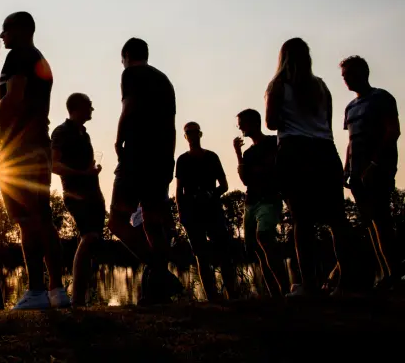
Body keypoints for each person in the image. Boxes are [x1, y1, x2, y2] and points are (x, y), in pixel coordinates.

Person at [0, 12, 71, 310]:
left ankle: (41, 290)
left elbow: (12, 100)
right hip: (37, 144)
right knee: (36, 217)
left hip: (20, 148)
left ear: (20, 29)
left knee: (30, 220)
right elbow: (3, 97)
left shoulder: (19, 55)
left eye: (5, 29)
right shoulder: (34, 58)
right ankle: (53, 291)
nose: (2, 36)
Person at [265, 37, 359, 296]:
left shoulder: (278, 86)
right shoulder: (322, 87)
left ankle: (308, 283)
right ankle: (348, 283)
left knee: (302, 221)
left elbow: (271, 123)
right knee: (337, 220)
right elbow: (326, 123)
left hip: (295, 152)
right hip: (325, 151)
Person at [108, 38, 182, 304]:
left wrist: (118, 140)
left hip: (137, 155)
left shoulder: (131, 73)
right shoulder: (165, 80)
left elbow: (128, 108)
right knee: (152, 222)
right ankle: (159, 288)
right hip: (162, 158)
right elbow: (172, 123)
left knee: (116, 221)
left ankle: (160, 273)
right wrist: (169, 159)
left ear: (126, 55)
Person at [340, 55, 401, 290]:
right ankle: (386, 274)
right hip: (356, 173)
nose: (346, 80)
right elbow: (351, 140)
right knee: (371, 222)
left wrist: (374, 164)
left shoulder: (382, 98)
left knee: (381, 219)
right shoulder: (351, 107)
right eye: (344, 77)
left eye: (350, 75)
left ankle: (394, 273)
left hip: (378, 169)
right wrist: (347, 168)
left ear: (364, 73)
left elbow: (393, 131)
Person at [50, 93, 105, 306]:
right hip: (75, 194)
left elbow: (85, 166)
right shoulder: (62, 132)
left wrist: (93, 170)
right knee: (89, 236)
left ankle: (81, 298)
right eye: (90, 106)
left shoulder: (84, 134)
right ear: (78, 107)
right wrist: (82, 174)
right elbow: (54, 165)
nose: (92, 110)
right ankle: (77, 301)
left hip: (94, 194)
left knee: (93, 242)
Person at [175, 122, 237, 301]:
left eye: (195, 132)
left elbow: (224, 185)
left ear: (200, 134)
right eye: (188, 133)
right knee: (201, 255)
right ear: (185, 136)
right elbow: (179, 190)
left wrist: (211, 194)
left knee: (223, 253)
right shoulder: (182, 160)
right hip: (192, 214)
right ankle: (212, 298)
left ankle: (232, 295)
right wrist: (181, 213)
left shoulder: (212, 157)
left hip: (213, 211)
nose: (192, 135)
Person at [233, 109, 288, 297]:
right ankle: (275, 295)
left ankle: (285, 289)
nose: (239, 127)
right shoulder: (248, 153)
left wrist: (259, 170)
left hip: (269, 199)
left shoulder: (273, 142)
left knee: (264, 236)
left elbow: (274, 168)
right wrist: (238, 154)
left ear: (253, 122)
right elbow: (246, 180)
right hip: (251, 203)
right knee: (256, 249)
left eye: (242, 123)